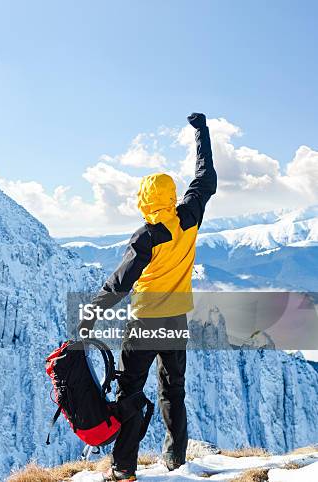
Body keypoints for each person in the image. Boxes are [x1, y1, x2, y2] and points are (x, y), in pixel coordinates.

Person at [80, 113, 217, 481]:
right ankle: (175, 458)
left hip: (143, 325)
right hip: (176, 322)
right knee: (174, 390)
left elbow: (119, 284)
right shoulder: (188, 217)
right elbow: (205, 179)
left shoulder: (146, 236)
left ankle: (124, 468)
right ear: (170, 196)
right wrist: (202, 133)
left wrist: (89, 316)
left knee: (129, 395)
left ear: (144, 199)